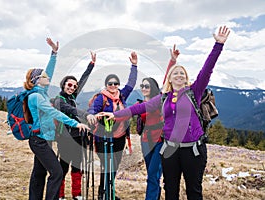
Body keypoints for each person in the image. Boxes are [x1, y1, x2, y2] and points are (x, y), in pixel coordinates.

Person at [100, 26, 230, 200]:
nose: (179, 75)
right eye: (175, 73)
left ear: (186, 77)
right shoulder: (163, 98)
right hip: (169, 150)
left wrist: (218, 45)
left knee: (194, 191)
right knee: (170, 191)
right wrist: (115, 115)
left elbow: (208, 69)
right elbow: (138, 108)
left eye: (182, 73)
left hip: (193, 150)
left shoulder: (194, 91)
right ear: (169, 78)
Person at [24, 38, 90, 200]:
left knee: (39, 173)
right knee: (57, 172)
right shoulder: (36, 97)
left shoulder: (42, 92)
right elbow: (56, 114)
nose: (49, 77)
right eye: (44, 76)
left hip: (44, 139)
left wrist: (54, 53)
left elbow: (49, 71)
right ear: (37, 79)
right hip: (39, 140)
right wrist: (76, 123)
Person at [88, 52, 138, 200]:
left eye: (116, 83)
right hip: (103, 136)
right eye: (110, 83)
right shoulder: (101, 98)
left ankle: (109, 191)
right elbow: (93, 110)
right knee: (107, 166)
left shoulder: (122, 95)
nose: (113, 86)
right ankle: (103, 193)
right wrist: (93, 115)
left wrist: (134, 65)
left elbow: (131, 83)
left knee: (114, 166)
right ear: (106, 85)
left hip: (120, 136)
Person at [133, 45, 179, 200]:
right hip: (145, 142)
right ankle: (156, 195)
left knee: (152, 175)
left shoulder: (159, 99)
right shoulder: (139, 104)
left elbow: (167, 81)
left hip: (160, 141)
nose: (144, 88)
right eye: (142, 86)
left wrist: (172, 61)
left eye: (147, 85)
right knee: (152, 174)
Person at [54, 52, 97, 200]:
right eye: (69, 85)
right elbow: (70, 110)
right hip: (65, 138)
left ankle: (77, 194)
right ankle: (60, 195)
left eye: (74, 86)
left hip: (78, 137)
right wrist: (86, 115)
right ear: (63, 85)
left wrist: (91, 65)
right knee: (63, 167)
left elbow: (83, 81)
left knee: (78, 166)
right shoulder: (59, 100)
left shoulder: (72, 97)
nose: (72, 88)